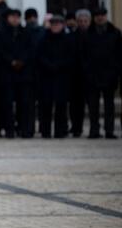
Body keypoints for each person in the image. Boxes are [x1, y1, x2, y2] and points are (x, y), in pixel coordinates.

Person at [82, 8, 122, 139]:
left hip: (109, 75)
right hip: (92, 76)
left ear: (106, 16)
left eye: (102, 15)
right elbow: (82, 55)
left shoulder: (115, 33)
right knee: (93, 106)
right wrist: (87, 70)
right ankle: (94, 130)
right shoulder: (88, 33)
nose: (100, 18)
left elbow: (119, 54)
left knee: (109, 105)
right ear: (94, 18)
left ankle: (109, 130)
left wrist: (115, 70)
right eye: (97, 15)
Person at [0, 9, 35, 138]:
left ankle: (24, 129)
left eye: (17, 17)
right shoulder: (2, 33)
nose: (14, 19)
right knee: (7, 104)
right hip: (7, 73)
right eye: (12, 17)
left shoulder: (26, 32)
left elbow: (30, 50)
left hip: (24, 74)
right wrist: (11, 61)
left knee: (24, 103)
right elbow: (0, 51)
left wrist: (21, 62)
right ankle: (9, 130)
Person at [36, 15, 73, 138]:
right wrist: (48, 65)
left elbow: (70, 57)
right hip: (46, 76)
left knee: (61, 106)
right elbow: (39, 55)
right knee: (46, 105)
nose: (55, 26)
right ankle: (45, 131)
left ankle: (60, 131)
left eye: (58, 24)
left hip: (62, 77)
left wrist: (59, 65)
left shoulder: (68, 40)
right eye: (53, 24)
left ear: (62, 25)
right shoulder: (43, 39)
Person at [69, 9, 92, 137]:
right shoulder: (71, 36)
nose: (83, 23)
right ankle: (76, 127)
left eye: (85, 21)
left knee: (91, 104)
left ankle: (95, 128)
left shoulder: (93, 35)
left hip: (90, 76)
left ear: (89, 21)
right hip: (74, 76)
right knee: (75, 104)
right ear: (77, 22)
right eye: (80, 21)